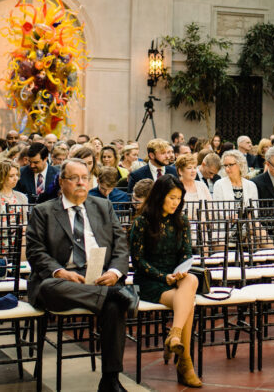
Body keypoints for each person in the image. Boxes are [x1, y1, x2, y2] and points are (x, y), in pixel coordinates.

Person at [26, 160, 136, 392]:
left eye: (85, 177)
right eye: (74, 178)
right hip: (61, 281)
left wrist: (115, 272)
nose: (80, 182)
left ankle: (110, 380)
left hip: (98, 278)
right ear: (62, 182)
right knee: (48, 287)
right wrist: (60, 271)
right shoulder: (43, 211)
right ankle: (112, 295)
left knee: (114, 307)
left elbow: (120, 245)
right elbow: (35, 252)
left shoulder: (103, 206)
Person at [129, 175, 201, 387]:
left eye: (179, 198)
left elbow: (187, 253)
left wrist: (181, 270)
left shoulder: (181, 220)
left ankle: (175, 335)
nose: (175, 202)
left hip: (176, 277)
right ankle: (185, 364)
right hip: (150, 280)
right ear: (160, 196)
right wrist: (163, 276)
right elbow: (138, 261)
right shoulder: (142, 222)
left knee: (192, 280)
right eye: (171, 197)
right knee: (188, 305)